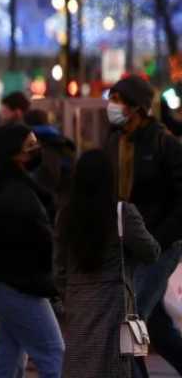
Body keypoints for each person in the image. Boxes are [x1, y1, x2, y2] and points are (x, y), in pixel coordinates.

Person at [0, 124, 63, 378]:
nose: (36, 150)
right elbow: (32, 244)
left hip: (1, 284)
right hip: (18, 285)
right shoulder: (14, 193)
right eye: (29, 146)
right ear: (13, 154)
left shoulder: (4, 186)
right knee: (52, 351)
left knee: (8, 358)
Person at [56, 150, 161, 377]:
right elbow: (151, 251)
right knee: (114, 367)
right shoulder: (122, 213)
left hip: (78, 305)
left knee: (79, 367)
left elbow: (59, 268)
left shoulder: (66, 215)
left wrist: (68, 295)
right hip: (114, 303)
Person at [105, 76, 182, 376]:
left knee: (129, 322)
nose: (112, 106)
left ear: (137, 107)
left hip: (158, 247)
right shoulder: (115, 141)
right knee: (156, 328)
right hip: (128, 247)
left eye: (118, 100)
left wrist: (158, 239)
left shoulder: (165, 144)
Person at [24, 109, 75, 210]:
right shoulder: (60, 141)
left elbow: (48, 177)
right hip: (62, 203)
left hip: (47, 205)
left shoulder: (43, 145)